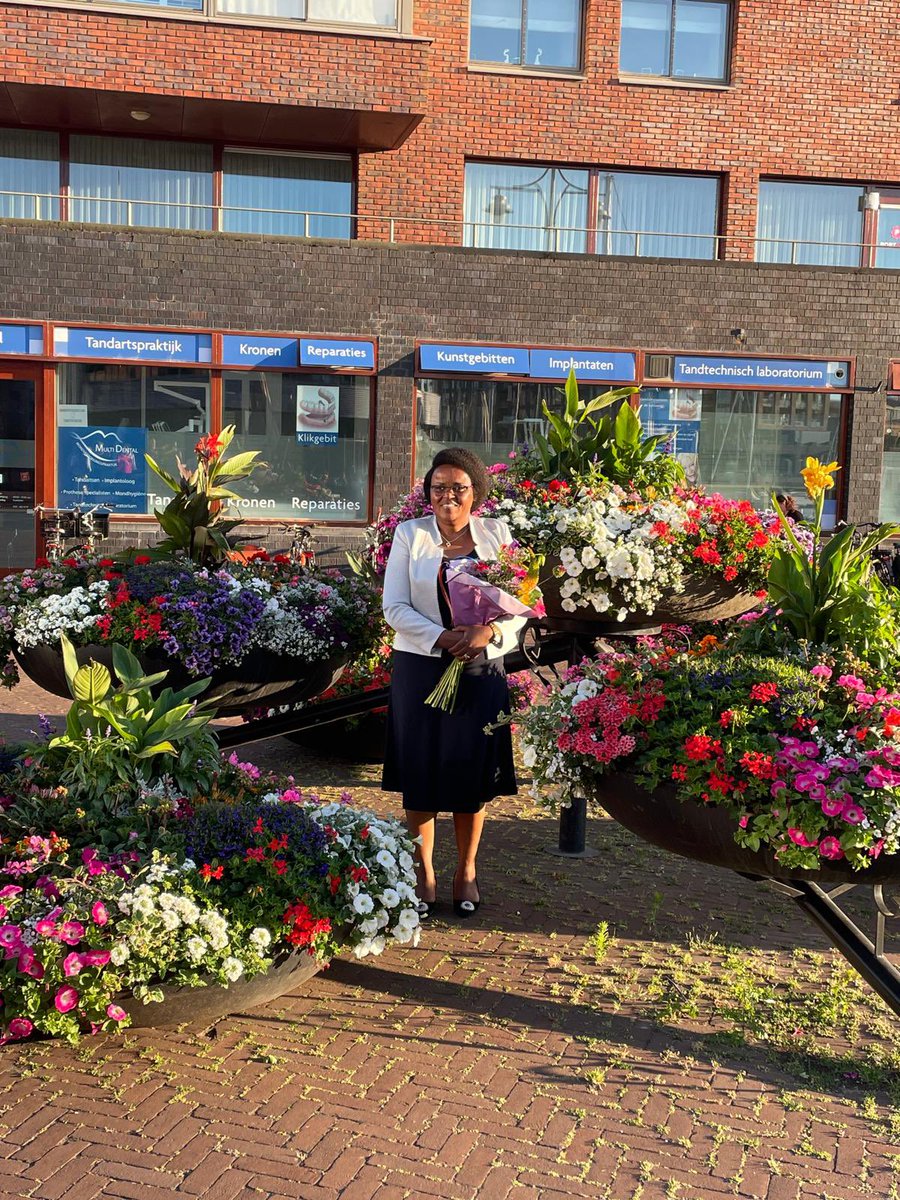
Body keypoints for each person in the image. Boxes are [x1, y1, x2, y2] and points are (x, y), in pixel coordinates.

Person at [381, 447, 527, 920]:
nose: (448, 496)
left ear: (475, 492)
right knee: (421, 770)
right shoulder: (410, 534)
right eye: (438, 487)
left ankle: (466, 870)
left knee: (470, 771)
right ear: (428, 493)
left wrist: (490, 633)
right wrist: (443, 638)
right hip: (422, 666)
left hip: (480, 667)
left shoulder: (498, 534)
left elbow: (520, 603)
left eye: (458, 488)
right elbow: (394, 606)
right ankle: (423, 873)